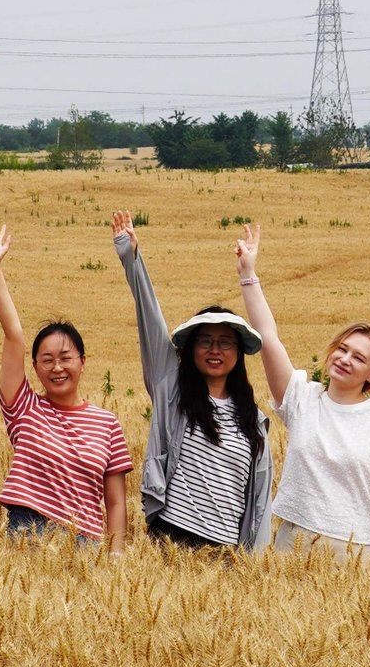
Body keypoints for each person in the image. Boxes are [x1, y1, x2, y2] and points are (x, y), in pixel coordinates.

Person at [117, 213, 283, 552]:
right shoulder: (171, 388)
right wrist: (131, 257)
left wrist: (255, 563)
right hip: (171, 540)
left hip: (226, 554)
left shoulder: (255, 420)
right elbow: (150, 319)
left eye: (225, 342)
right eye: (205, 341)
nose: (214, 350)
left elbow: (260, 499)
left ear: (239, 352)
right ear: (190, 349)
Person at [0, 222, 136, 548]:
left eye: (66, 357)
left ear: (83, 361)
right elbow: (14, 337)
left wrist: (117, 555)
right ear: (34, 366)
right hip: (27, 534)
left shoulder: (107, 424)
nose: (57, 367)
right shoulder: (23, 407)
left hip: (85, 543)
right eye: (46, 360)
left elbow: (116, 501)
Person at [260, 290, 370, 560]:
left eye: (358, 357)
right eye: (342, 350)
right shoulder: (302, 398)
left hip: (354, 553)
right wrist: (248, 275)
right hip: (292, 545)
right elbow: (267, 337)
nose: (345, 359)